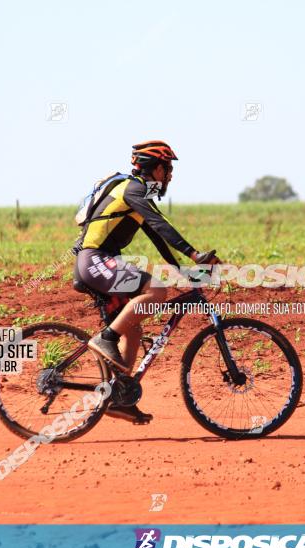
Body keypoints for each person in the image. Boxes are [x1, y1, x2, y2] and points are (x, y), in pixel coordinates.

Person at [73, 140, 220, 424]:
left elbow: (158, 236)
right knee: (156, 290)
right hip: (95, 260)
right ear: (155, 168)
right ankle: (106, 339)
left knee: (135, 329)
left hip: (98, 262)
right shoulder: (133, 189)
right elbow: (162, 226)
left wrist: (184, 270)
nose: (170, 176)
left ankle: (120, 397)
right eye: (168, 169)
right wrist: (194, 254)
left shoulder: (138, 194)